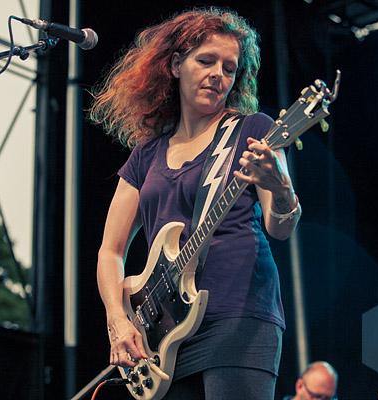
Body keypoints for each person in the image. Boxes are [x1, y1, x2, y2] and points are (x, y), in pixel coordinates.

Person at [90, 6, 301, 399]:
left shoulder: (254, 131)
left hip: (239, 314)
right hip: (163, 330)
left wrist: (282, 188)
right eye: (206, 61)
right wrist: (118, 319)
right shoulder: (146, 154)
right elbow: (111, 250)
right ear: (175, 65)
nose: (218, 74)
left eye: (229, 67)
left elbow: (281, 228)